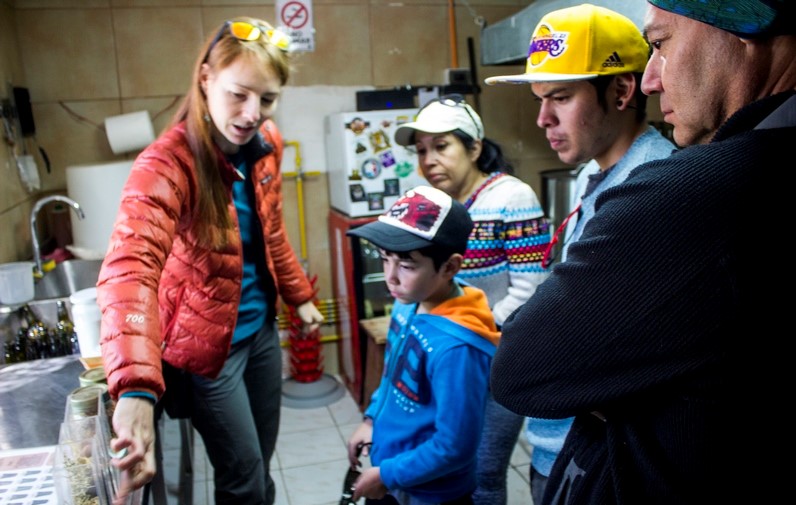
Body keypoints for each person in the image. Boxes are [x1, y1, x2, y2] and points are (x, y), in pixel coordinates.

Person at [487, 0, 796, 503]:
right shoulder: (593, 178)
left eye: (661, 45)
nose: (654, 79)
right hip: (557, 448)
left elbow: (523, 368)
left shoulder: (679, 190)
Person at [96, 17, 324, 505]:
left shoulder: (266, 145)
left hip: (261, 334)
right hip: (209, 354)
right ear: (205, 79)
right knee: (244, 479)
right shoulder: (167, 163)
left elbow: (272, 233)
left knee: (257, 470)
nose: (251, 113)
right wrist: (134, 389)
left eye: (267, 99)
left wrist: (299, 295)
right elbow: (131, 269)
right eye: (238, 94)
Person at [484, 4, 676, 503]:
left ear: (621, 91)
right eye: (541, 98)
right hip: (561, 444)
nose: (543, 118)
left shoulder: (649, 188)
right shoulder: (593, 174)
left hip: (600, 456)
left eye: (561, 98)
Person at [393, 95, 551, 505]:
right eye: (422, 150)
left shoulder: (511, 198)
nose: (429, 160)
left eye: (441, 146)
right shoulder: (435, 206)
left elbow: (531, 289)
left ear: (474, 148)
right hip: (446, 357)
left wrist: (465, 333)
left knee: (482, 473)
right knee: (448, 464)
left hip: (497, 359)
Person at [344, 185, 499, 504]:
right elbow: (391, 376)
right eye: (385, 259)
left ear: (450, 268)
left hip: (432, 494)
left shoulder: (458, 348)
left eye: (407, 265)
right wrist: (371, 420)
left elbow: (454, 446)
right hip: (394, 474)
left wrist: (388, 475)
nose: (391, 278)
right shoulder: (409, 301)